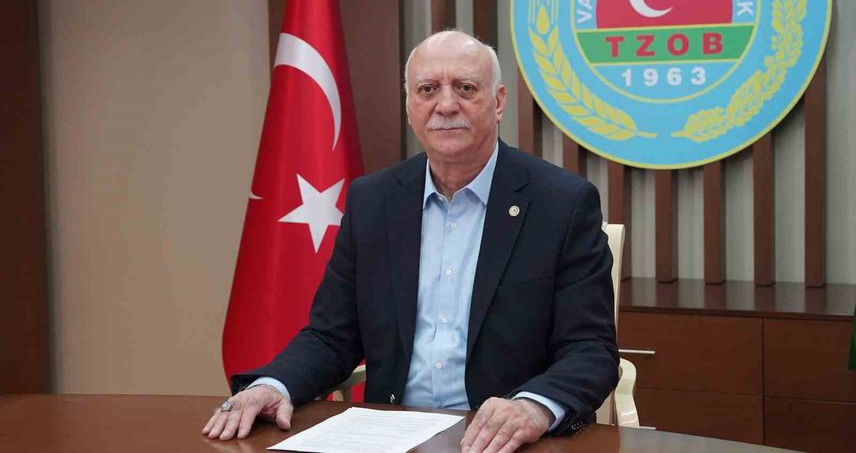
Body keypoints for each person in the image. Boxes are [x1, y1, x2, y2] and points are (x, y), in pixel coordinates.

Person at [203, 30, 618, 453]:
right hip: (390, 436)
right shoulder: (373, 201)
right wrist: (273, 385)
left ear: (497, 102)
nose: (446, 105)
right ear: (409, 107)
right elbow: (332, 335)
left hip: (502, 442)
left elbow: (590, 349)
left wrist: (532, 407)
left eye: (465, 88)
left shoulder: (561, 204)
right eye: (427, 89)